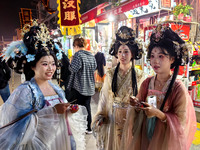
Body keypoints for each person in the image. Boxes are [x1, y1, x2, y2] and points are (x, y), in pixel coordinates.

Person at [0, 22, 87, 150]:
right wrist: (53, 111)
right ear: (33, 66)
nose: (50, 69)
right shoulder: (25, 91)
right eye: (45, 64)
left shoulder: (56, 89)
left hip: (61, 140)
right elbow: (17, 128)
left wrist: (69, 111)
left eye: (53, 64)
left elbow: (61, 114)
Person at [121, 24, 196, 150]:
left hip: (165, 140)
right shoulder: (147, 82)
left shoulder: (178, 88)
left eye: (161, 56)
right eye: (152, 56)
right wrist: (136, 104)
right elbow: (140, 106)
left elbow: (181, 123)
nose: (155, 61)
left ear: (172, 59)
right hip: (145, 134)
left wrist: (159, 114)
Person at [91, 26, 145, 150]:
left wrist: (137, 106)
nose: (122, 55)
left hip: (131, 119)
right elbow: (104, 98)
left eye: (126, 51)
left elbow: (142, 100)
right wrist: (101, 115)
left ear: (132, 54)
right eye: (120, 52)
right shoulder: (110, 74)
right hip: (113, 117)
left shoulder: (140, 75)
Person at [67, 37, 97, 134]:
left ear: (76, 46)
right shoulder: (91, 56)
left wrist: (70, 63)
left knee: (77, 107)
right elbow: (94, 68)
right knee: (87, 106)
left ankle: (79, 127)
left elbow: (73, 69)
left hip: (79, 86)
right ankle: (88, 128)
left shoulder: (78, 55)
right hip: (90, 86)